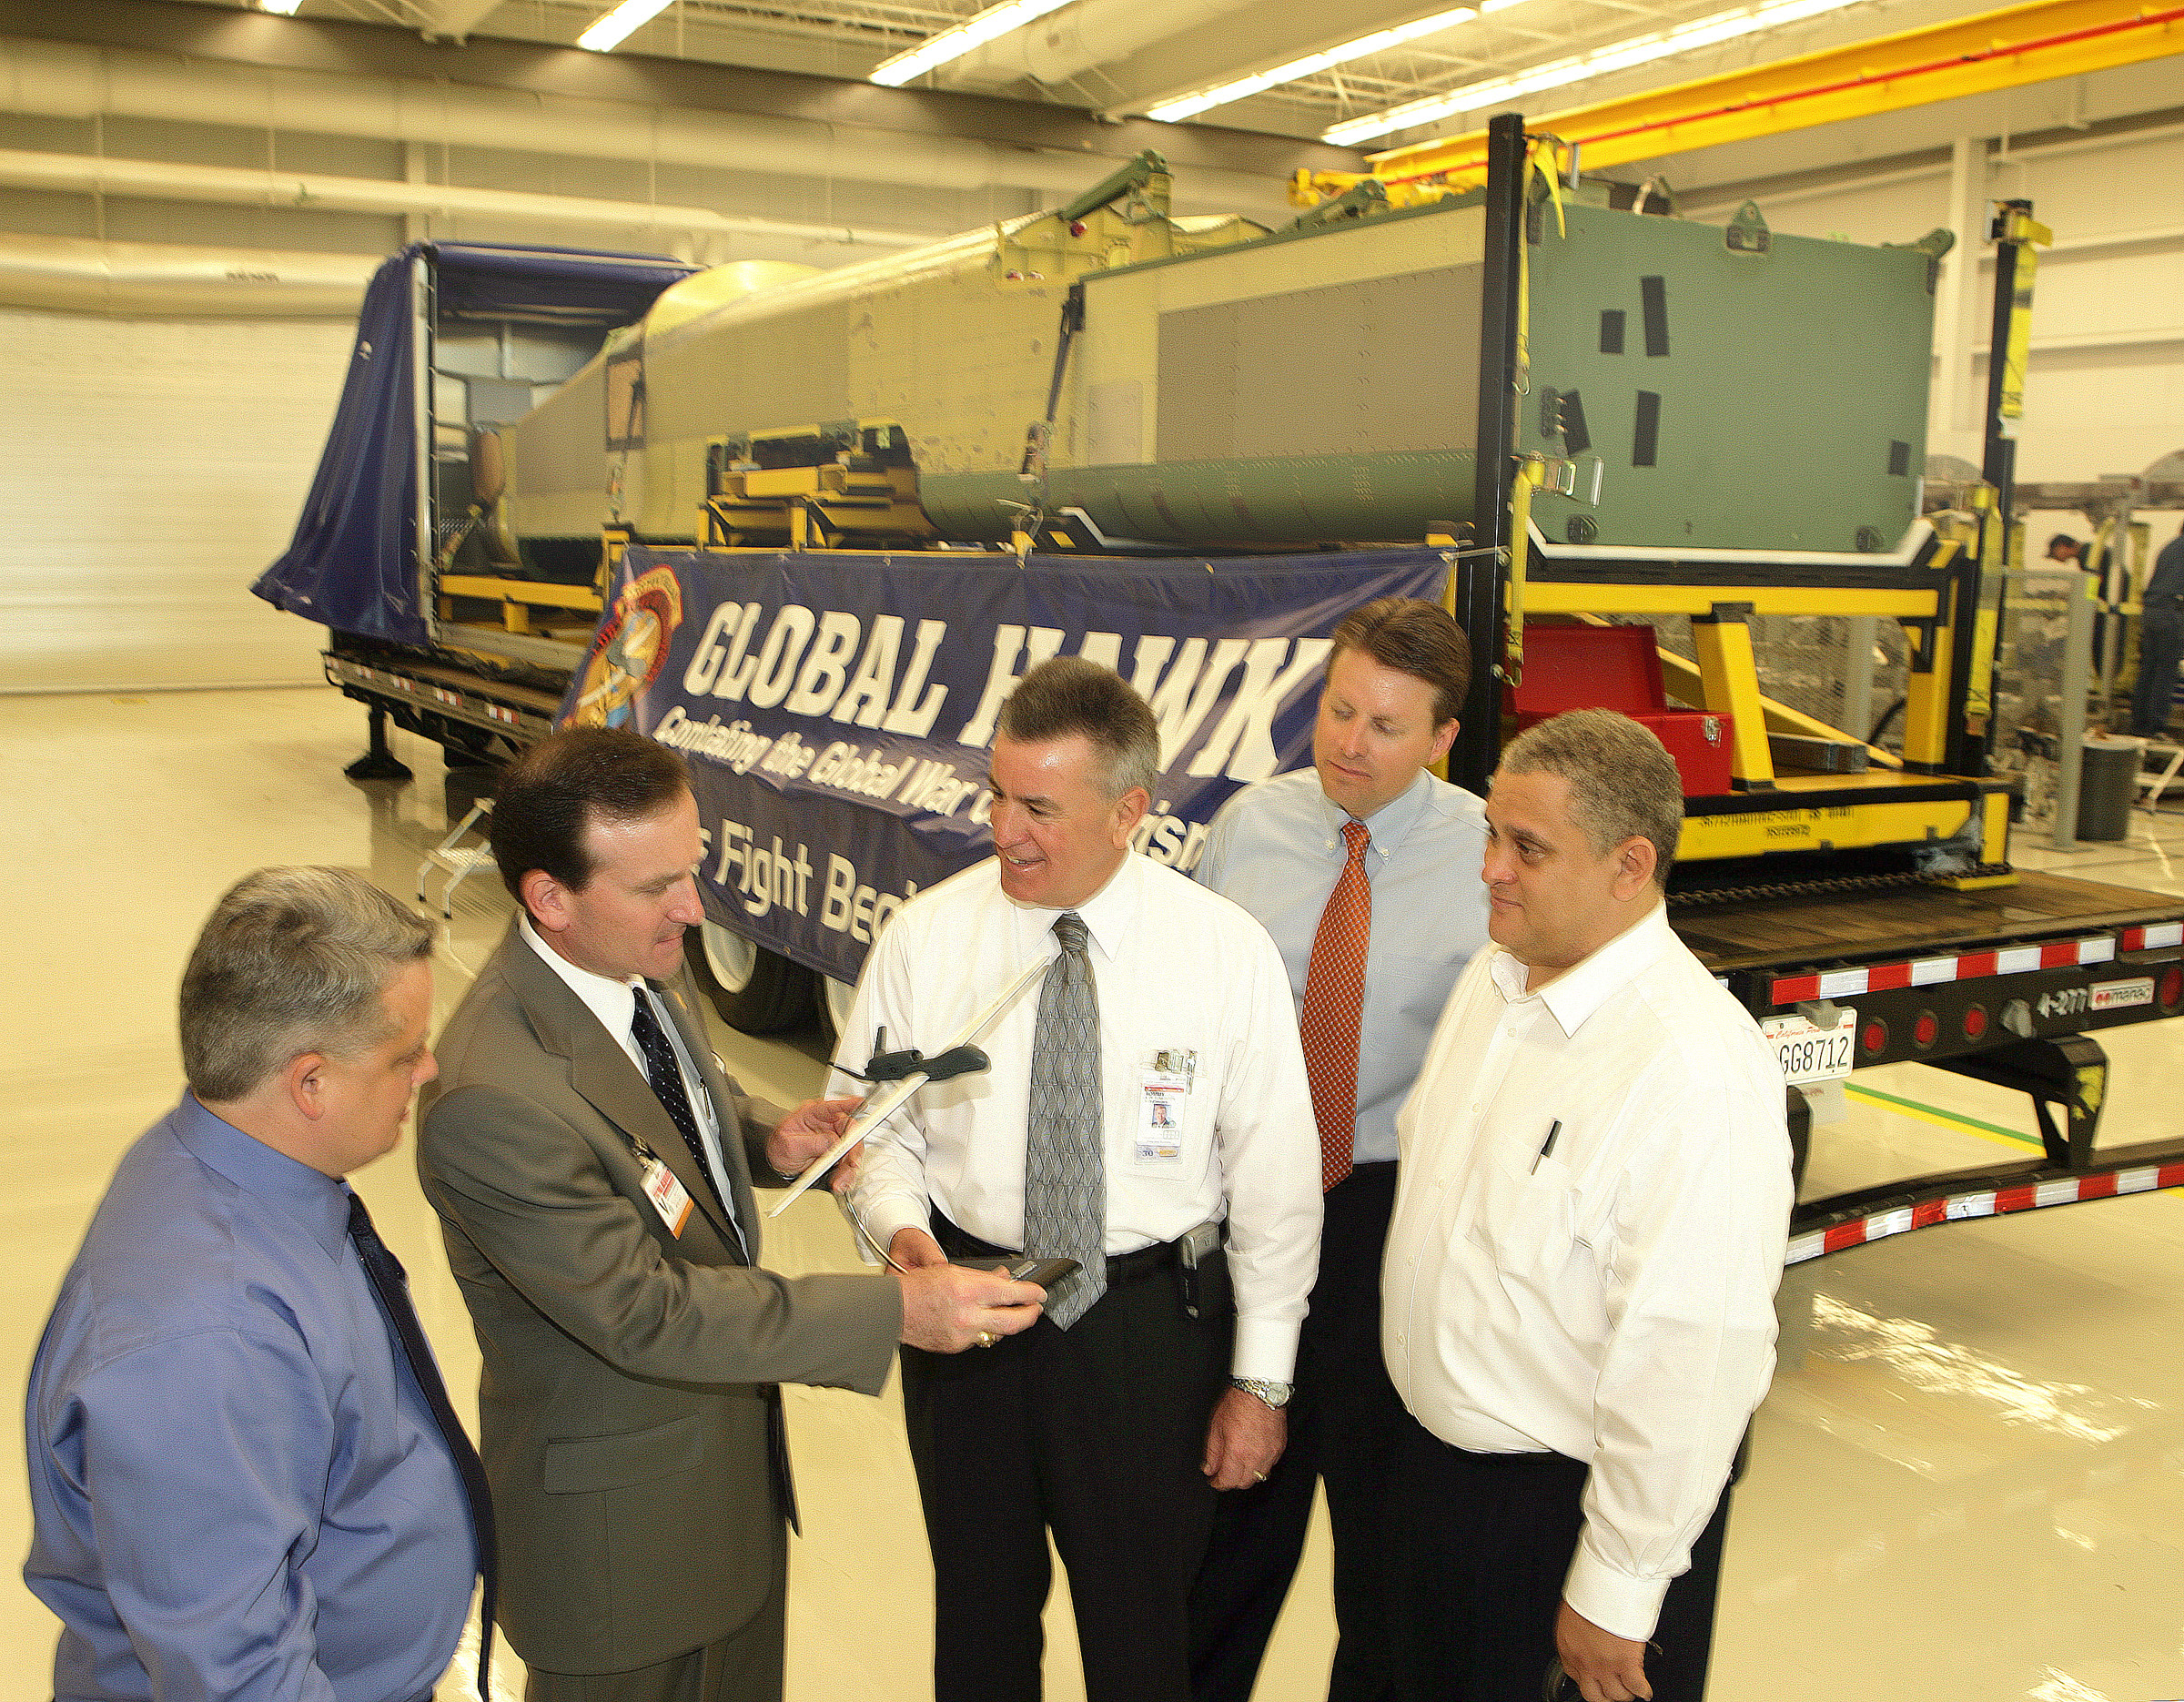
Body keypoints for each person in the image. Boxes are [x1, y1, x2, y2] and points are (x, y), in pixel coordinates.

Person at [417, 725, 1039, 1702]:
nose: (692, 907)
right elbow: (646, 1311)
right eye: (656, 885)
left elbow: (648, 1113)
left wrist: (762, 1136)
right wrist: (894, 1314)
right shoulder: (491, 1098)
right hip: (619, 1554)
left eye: (693, 868)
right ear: (550, 898)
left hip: (721, 1507)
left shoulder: (633, 964)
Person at [835, 656, 1321, 1702]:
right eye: (998, 795)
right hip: (967, 1322)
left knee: (1143, 1628)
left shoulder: (1222, 953)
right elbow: (872, 1133)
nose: (1007, 829)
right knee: (978, 1617)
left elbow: (1276, 1182)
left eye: (1041, 807)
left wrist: (1262, 1380)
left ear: (1129, 812)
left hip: (1147, 1332)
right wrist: (899, 1234)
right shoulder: (927, 937)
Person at [1381, 709, 1792, 1702]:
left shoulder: (1693, 1070)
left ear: (1629, 864)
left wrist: (1617, 1587)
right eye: (1490, 833)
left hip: (1551, 1516)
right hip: (1430, 1488)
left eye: (1527, 846)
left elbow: (1692, 1354)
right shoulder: (1498, 976)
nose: (1491, 868)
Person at [25, 867, 485, 1702]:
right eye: (404, 1053)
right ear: (309, 1082)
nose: (428, 1071)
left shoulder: (235, 1169)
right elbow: (236, 1675)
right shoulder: (209, 1336)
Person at [1188, 598, 1491, 1702]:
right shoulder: (1246, 831)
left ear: (1445, 737)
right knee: (1227, 1529)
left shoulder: (1487, 861)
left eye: (1387, 726)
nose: (1348, 743)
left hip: (1391, 1219)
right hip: (1249, 1203)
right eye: (1339, 706)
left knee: (1384, 1549)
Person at [2130, 522, 2184, 740]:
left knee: (2149, 668)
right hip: (2171, 614)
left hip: (2152, 612)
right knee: (2166, 671)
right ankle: (2156, 727)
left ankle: (2139, 724)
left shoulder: (2169, 547)